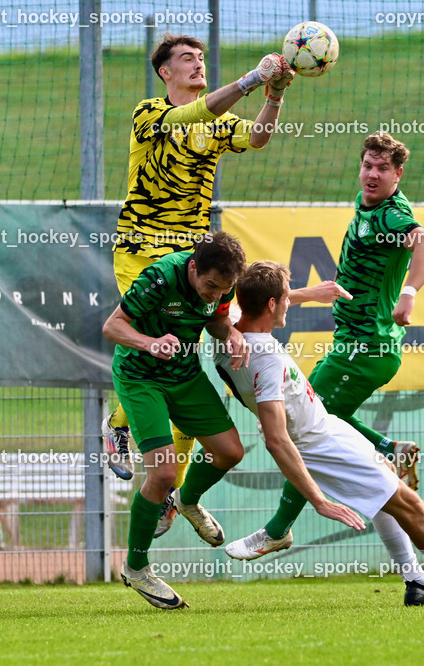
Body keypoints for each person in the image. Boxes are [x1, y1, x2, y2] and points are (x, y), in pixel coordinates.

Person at [216, 261, 424, 605]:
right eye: (285, 298)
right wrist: (319, 501)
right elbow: (275, 439)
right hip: (319, 442)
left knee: (387, 489)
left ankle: (418, 583)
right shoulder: (264, 356)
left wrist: (308, 294)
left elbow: (240, 308)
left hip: (326, 426)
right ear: (272, 304)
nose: (289, 303)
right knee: (410, 505)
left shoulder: (229, 332)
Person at [102, 233, 364, 610]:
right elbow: (113, 326)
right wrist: (149, 343)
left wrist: (234, 335)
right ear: (193, 268)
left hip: (184, 375)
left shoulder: (223, 288)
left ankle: (186, 501)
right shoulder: (160, 277)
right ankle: (137, 567)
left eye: (222, 289)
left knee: (229, 452)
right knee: (161, 473)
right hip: (141, 376)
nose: (214, 295)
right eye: (209, 286)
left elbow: (219, 322)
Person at [102, 33, 296, 539]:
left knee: (184, 367)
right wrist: (252, 78)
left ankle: (175, 496)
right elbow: (196, 115)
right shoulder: (150, 113)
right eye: (186, 58)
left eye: (202, 58)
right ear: (164, 72)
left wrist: (275, 92)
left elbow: (256, 138)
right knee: (153, 351)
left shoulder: (218, 120)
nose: (197, 63)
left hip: (193, 259)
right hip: (141, 249)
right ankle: (119, 424)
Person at [256, 130, 424, 546]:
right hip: (351, 343)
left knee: (301, 430)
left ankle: (278, 530)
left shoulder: (392, 215)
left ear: (398, 175)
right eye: (367, 166)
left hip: (366, 348)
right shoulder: (366, 202)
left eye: (382, 169)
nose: (372, 175)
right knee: (317, 415)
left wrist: (408, 295)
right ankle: (388, 448)